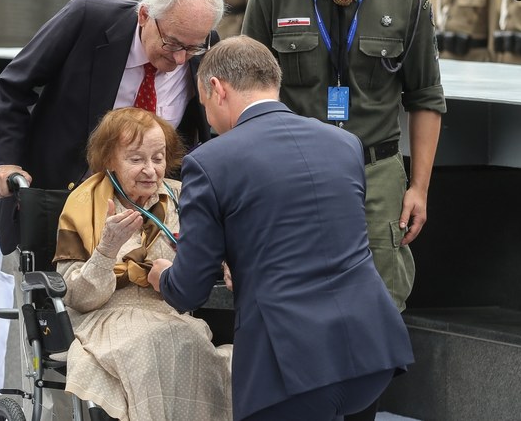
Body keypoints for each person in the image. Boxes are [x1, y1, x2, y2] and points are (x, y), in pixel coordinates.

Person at [148, 36, 413, 421]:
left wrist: (163, 278)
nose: (207, 120)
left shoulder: (209, 161)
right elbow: (317, 232)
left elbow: (190, 287)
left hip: (291, 363)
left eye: (204, 106)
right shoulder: (344, 143)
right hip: (369, 350)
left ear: (217, 89)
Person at [241, 0, 444, 314]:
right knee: (288, 300)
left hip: (373, 173)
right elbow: (243, 95)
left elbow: (425, 97)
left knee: (379, 304)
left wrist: (419, 187)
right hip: (290, 173)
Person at [0, 0, 223, 252]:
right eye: (172, 44)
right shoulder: (88, 18)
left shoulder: (203, 45)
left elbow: (209, 130)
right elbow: (14, 84)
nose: (179, 59)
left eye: (192, 48)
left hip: (149, 218)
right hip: (63, 198)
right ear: (145, 16)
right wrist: (7, 161)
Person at [53, 106, 232, 420]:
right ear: (110, 159)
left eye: (158, 157)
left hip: (171, 315)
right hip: (105, 318)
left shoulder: (183, 196)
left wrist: (230, 259)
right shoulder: (84, 204)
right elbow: (78, 298)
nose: (150, 170)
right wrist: (107, 250)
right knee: (155, 342)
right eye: (136, 159)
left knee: (204, 350)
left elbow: (212, 252)